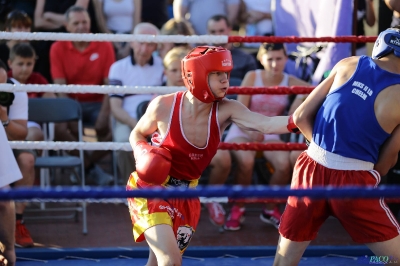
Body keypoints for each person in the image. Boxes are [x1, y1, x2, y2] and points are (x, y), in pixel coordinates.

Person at [127, 45, 297, 265]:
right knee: (169, 260)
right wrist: (143, 153)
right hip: (152, 188)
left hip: (187, 195)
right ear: (196, 75)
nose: (225, 81)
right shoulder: (164, 105)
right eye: (217, 74)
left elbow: (265, 124)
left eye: (226, 74)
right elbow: (137, 133)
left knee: (159, 261)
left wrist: (302, 119)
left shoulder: (227, 109)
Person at [273, 27, 400, 266]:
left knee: (284, 261)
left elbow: (300, 117)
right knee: (395, 259)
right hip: (355, 182)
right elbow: (385, 164)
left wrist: (325, 151)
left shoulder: (348, 63)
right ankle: (367, 260)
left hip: (310, 171)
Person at [220, 43, 309, 231]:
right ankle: (238, 207)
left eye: (279, 59)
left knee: (284, 164)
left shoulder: (290, 79)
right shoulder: (252, 76)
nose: (275, 64)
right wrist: (253, 131)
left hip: (270, 131)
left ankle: (270, 208)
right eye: (270, 59)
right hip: (244, 128)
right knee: (246, 160)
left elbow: (314, 91)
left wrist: (300, 101)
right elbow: (239, 110)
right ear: (261, 59)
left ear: (286, 59)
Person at [50, 5, 115, 186]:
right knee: (58, 129)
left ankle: (83, 167)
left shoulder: (104, 44)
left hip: (98, 103)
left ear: (91, 23)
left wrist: (104, 113)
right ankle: (91, 168)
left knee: (114, 129)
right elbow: (60, 86)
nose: (81, 26)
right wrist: (70, 113)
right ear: (67, 26)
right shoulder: (57, 47)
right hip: (72, 104)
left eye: (85, 22)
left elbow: (110, 85)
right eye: (76, 23)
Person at [109, 22, 164, 185]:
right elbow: (115, 107)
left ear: (155, 46)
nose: (144, 48)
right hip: (128, 121)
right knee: (123, 144)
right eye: (141, 42)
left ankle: (159, 191)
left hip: (158, 122)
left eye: (150, 44)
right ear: (132, 42)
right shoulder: (118, 68)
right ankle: (132, 190)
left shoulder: (163, 66)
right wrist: (138, 126)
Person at [0, 60, 23, 266]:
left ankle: (8, 250)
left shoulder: (15, 92)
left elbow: (23, 133)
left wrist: (8, 249)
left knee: (5, 197)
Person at [173, 0, 240, 35]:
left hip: (220, 42)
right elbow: (179, 16)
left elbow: (232, 15)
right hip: (194, 42)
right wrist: (194, 35)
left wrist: (219, 34)